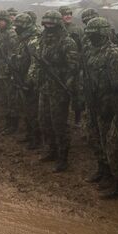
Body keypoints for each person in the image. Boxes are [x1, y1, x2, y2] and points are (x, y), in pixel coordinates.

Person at [82, 17, 118, 194]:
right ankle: (104, 170)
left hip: (110, 105)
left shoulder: (113, 53)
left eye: (95, 34)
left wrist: (116, 108)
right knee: (96, 139)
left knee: (113, 145)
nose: (91, 37)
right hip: (94, 102)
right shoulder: (90, 51)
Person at [35, 10, 79, 173]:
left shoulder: (67, 42)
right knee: (44, 120)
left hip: (59, 87)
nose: (49, 26)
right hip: (45, 86)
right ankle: (51, 150)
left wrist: (65, 83)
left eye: (52, 23)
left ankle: (63, 157)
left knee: (59, 123)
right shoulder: (43, 39)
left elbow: (73, 67)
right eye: (46, 23)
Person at [12, 12, 41, 149]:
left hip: (30, 81)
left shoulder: (33, 39)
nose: (16, 27)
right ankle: (30, 135)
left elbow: (35, 62)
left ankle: (36, 138)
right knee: (26, 109)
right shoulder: (22, 38)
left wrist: (29, 81)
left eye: (19, 25)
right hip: (21, 77)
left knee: (33, 110)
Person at [0, 10, 19, 134]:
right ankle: (7, 122)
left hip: (9, 72)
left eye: (1, 20)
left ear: (6, 21)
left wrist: (12, 71)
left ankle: (14, 124)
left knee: (11, 99)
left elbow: (13, 55)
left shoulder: (11, 34)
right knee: (3, 98)